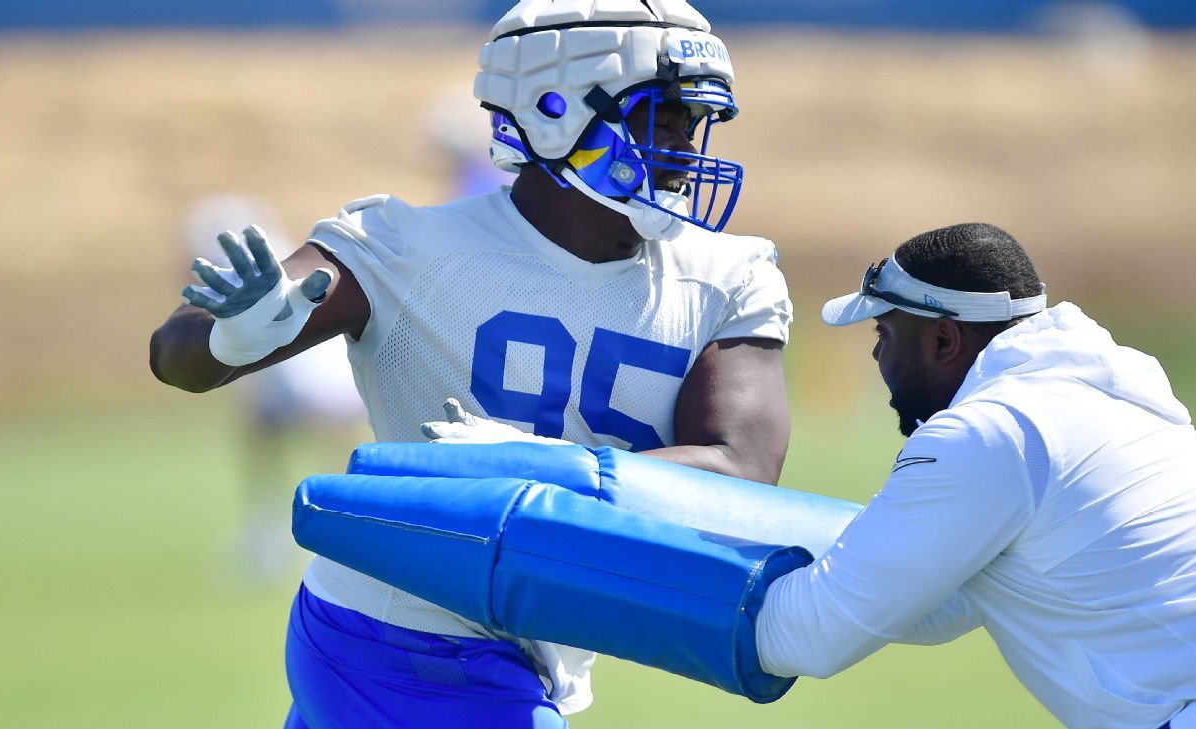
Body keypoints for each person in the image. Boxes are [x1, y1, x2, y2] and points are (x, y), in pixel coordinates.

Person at [148, 0, 792, 726]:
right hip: (399, 628)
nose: (684, 145)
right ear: (556, 112)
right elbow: (180, 355)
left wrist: (538, 466)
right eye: (660, 116)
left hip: (533, 640)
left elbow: (744, 470)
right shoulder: (407, 248)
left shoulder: (727, 277)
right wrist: (236, 334)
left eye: (692, 121)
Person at [754, 223, 1196, 728]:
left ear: (943, 340)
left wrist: (680, 564)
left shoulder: (986, 433)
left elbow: (805, 637)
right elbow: (942, 601)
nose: (876, 353)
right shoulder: (1091, 393)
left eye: (885, 331)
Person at [180, 194, 367, 586]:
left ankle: (335, 532)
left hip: (306, 368)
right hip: (305, 365)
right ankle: (277, 533)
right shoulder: (276, 256)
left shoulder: (254, 272)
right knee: (269, 434)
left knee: (322, 438)